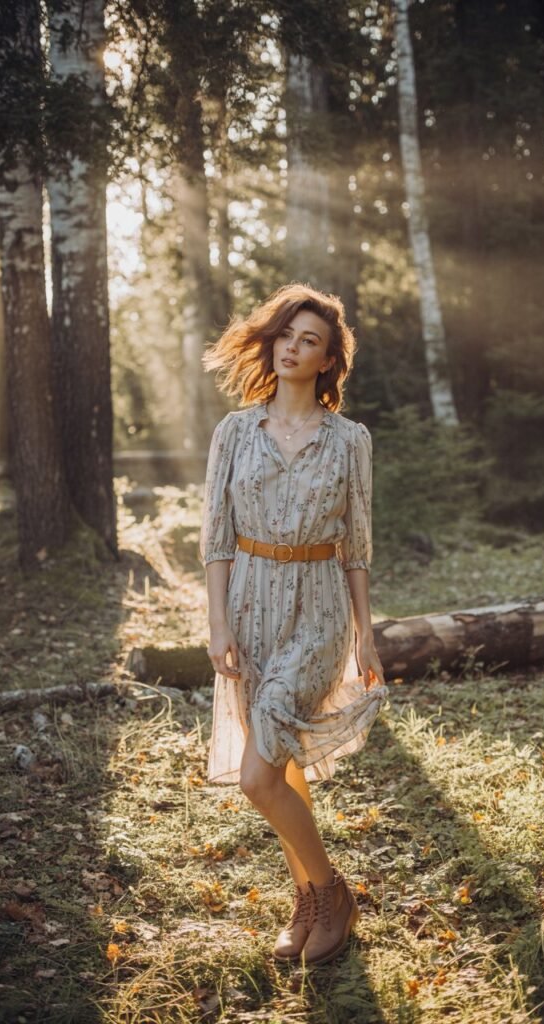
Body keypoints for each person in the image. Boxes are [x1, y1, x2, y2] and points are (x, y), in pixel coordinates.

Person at [198, 282, 389, 966]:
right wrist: (217, 622)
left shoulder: (349, 440)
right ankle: (306, 900)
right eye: (286, 334)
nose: (292, 347)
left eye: (309, 340)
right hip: (248, 605)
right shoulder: (234, 432)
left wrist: (364, 633)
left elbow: (357, 546)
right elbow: (217, 538)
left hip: (317, 607)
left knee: (257, 776)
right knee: (278, 769)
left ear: (329, 359)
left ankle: (331, 894)